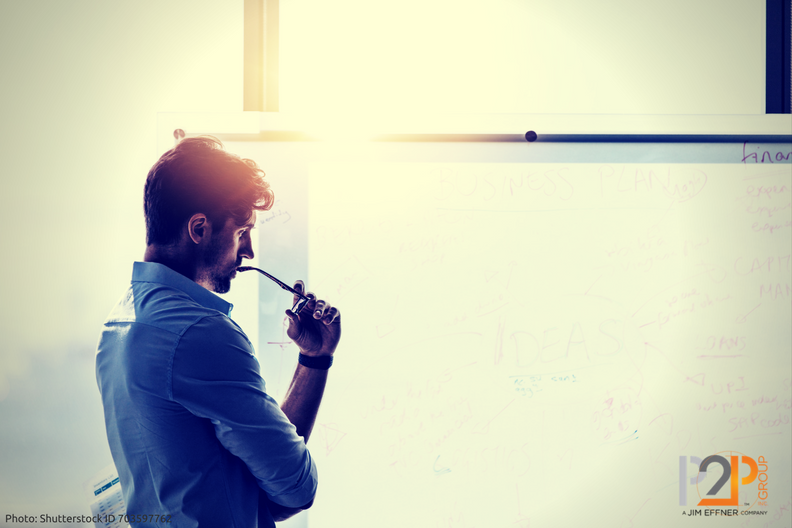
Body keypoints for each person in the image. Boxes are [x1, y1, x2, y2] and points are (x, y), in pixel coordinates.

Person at [95, 136, 340, 527]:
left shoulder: (120, 323)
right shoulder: (200, 334)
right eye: (242, 232)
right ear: (199, 228)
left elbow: (246, 473)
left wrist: (313, 359)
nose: (249, 252)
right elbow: (295, 488)